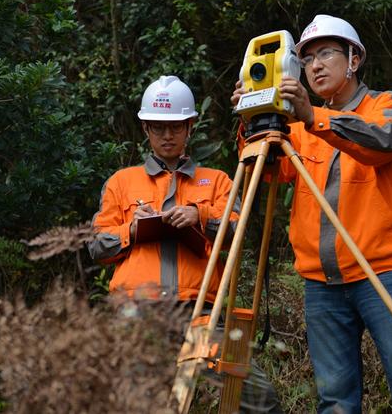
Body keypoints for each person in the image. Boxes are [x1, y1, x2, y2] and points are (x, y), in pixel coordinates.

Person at [231, 15, 392, 413]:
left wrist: (313, 118)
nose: (315, 65)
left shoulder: (388, 105)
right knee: (334, 401)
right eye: (307, 58)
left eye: (326, 54)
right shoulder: (296, 128)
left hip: (383, 274)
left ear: (354, 59)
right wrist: (255, 122)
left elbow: (386, 140)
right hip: (321, 285)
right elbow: (267, 175)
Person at [88, 75, 282, 413]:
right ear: (146, 129)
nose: (167, 135)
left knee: (258, 396)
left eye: (175, 127)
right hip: (137, 313)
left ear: (190, 127)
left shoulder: (218, 180)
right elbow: (97, 247)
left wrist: (200, 215)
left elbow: (239, 231)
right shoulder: (121, 182)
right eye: (158, 127)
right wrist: (131, 230)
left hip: (201, 313)